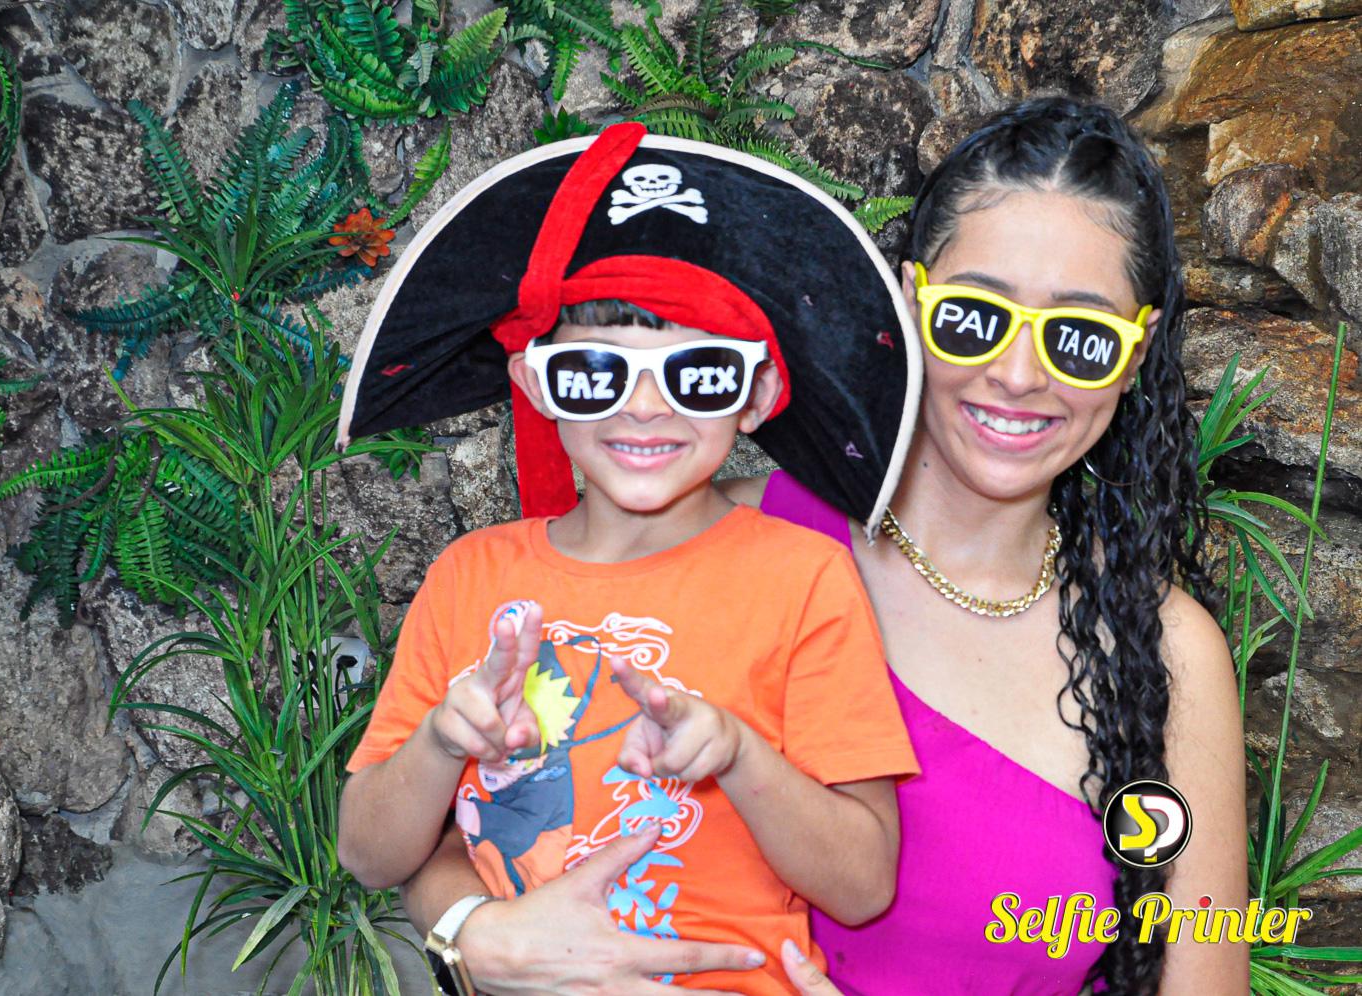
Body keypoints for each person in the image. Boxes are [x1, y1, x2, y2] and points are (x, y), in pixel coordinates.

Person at [394, 97, 1249, 995]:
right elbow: (452, 827)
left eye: (1079, 338)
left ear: (1134, 354)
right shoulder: (709, 542)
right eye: (973, 317)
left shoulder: (1165, 654)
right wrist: (474, 934)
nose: (1018, 374)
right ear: (911, 302)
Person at [333, 123, 923, 996]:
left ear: (757, 393)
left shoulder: (803, 579)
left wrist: (739, 754)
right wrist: (439, 742)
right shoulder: (469, 577)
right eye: (595, 374)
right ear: (535, 384)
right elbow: (367, 853)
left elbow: (863, 883)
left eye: (700, 374)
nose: (644, 408)